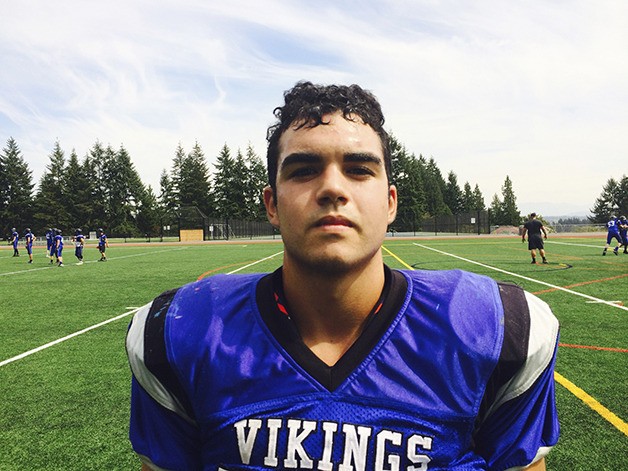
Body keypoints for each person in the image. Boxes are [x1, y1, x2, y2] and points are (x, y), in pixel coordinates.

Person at [126, 81, 559, 470]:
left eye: (359, 169)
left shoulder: (489, 327)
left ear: (390, 203)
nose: (333, 188)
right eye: (303, 170)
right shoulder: (183, 331)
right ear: (272, 204)